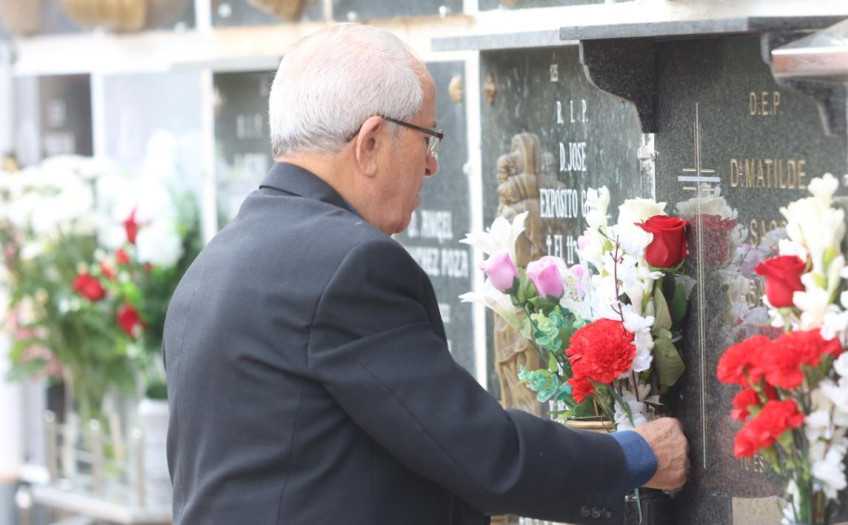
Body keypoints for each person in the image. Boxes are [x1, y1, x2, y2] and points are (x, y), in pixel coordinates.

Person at [163, 23, 687, 524]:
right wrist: (632, 457)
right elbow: (477, 450)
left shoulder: (216, 262)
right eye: (427, 140)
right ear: (370, 142)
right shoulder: (348, 265)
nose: (432, 166)